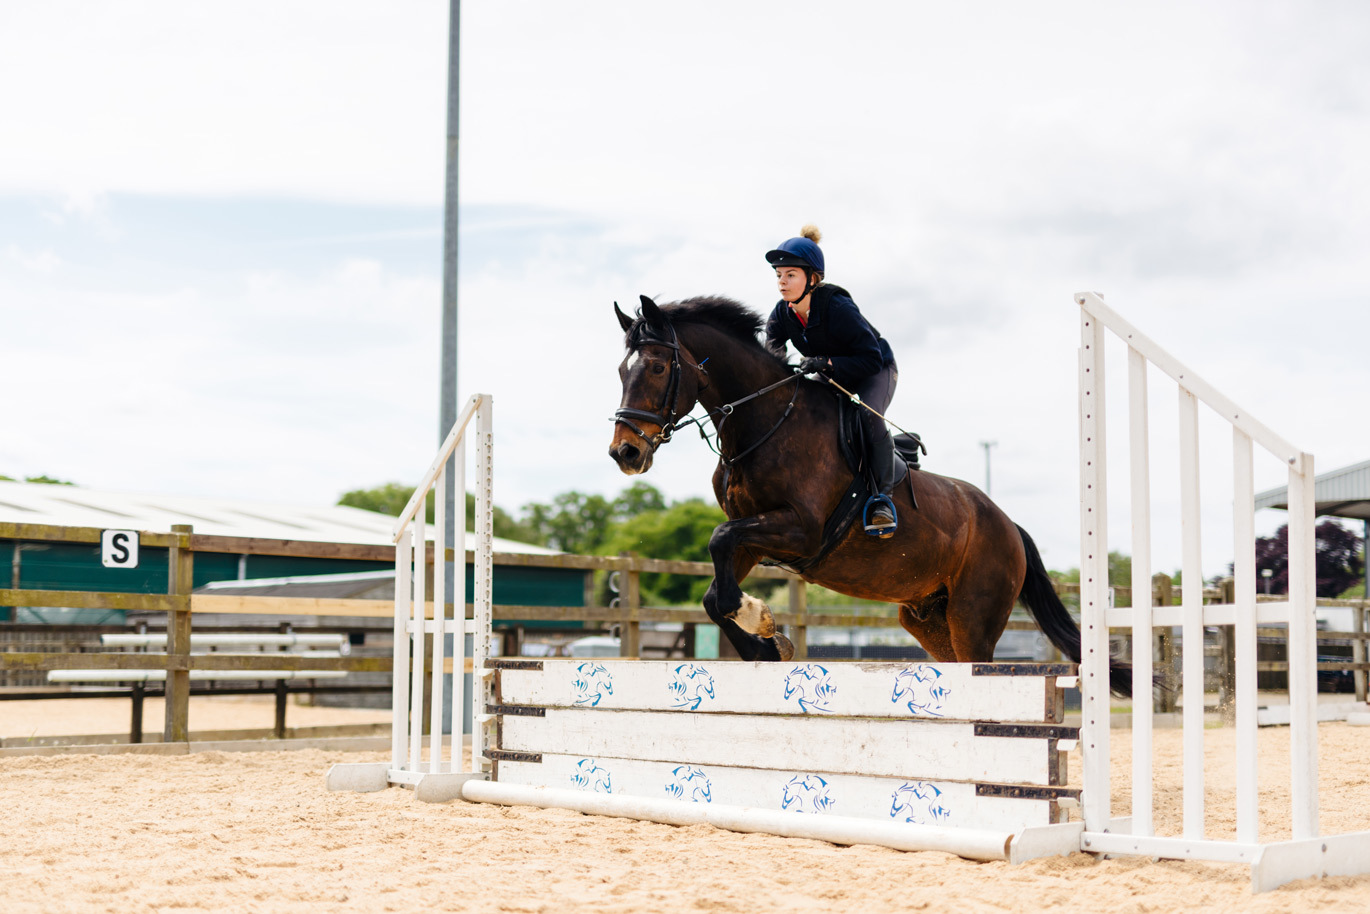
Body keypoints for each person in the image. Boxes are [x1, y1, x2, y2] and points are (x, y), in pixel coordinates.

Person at [763, 225, 901, 537]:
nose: (782, 282)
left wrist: (825, 363)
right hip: (833, 372)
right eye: (778, 275)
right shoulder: (782, 314)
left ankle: (882, 499)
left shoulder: (837, 306)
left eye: (790, 275)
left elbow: (870, 359)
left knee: (868, 414)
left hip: (875, 369)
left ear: (812, 278)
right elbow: (773, 355)